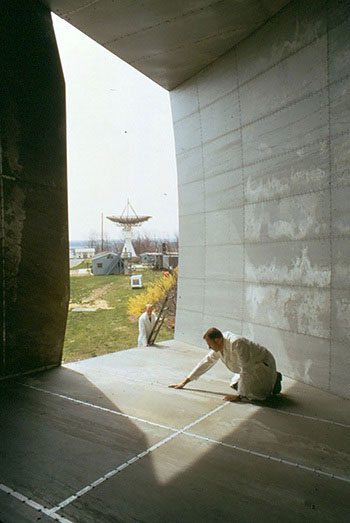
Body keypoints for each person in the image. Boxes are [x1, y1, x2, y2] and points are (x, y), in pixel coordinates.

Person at [169, 327, 282, 401]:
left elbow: (246, 368)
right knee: (235, 385)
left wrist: (239, 397)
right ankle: (271, 380)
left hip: (262, 363)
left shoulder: (237, 343)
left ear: (217, 340)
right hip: (249, 366)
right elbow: (206, 362)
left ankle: (274, 378)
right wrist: (184, 382)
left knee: (256, 397)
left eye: (209, 344)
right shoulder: (219, 345)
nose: (209, 347)